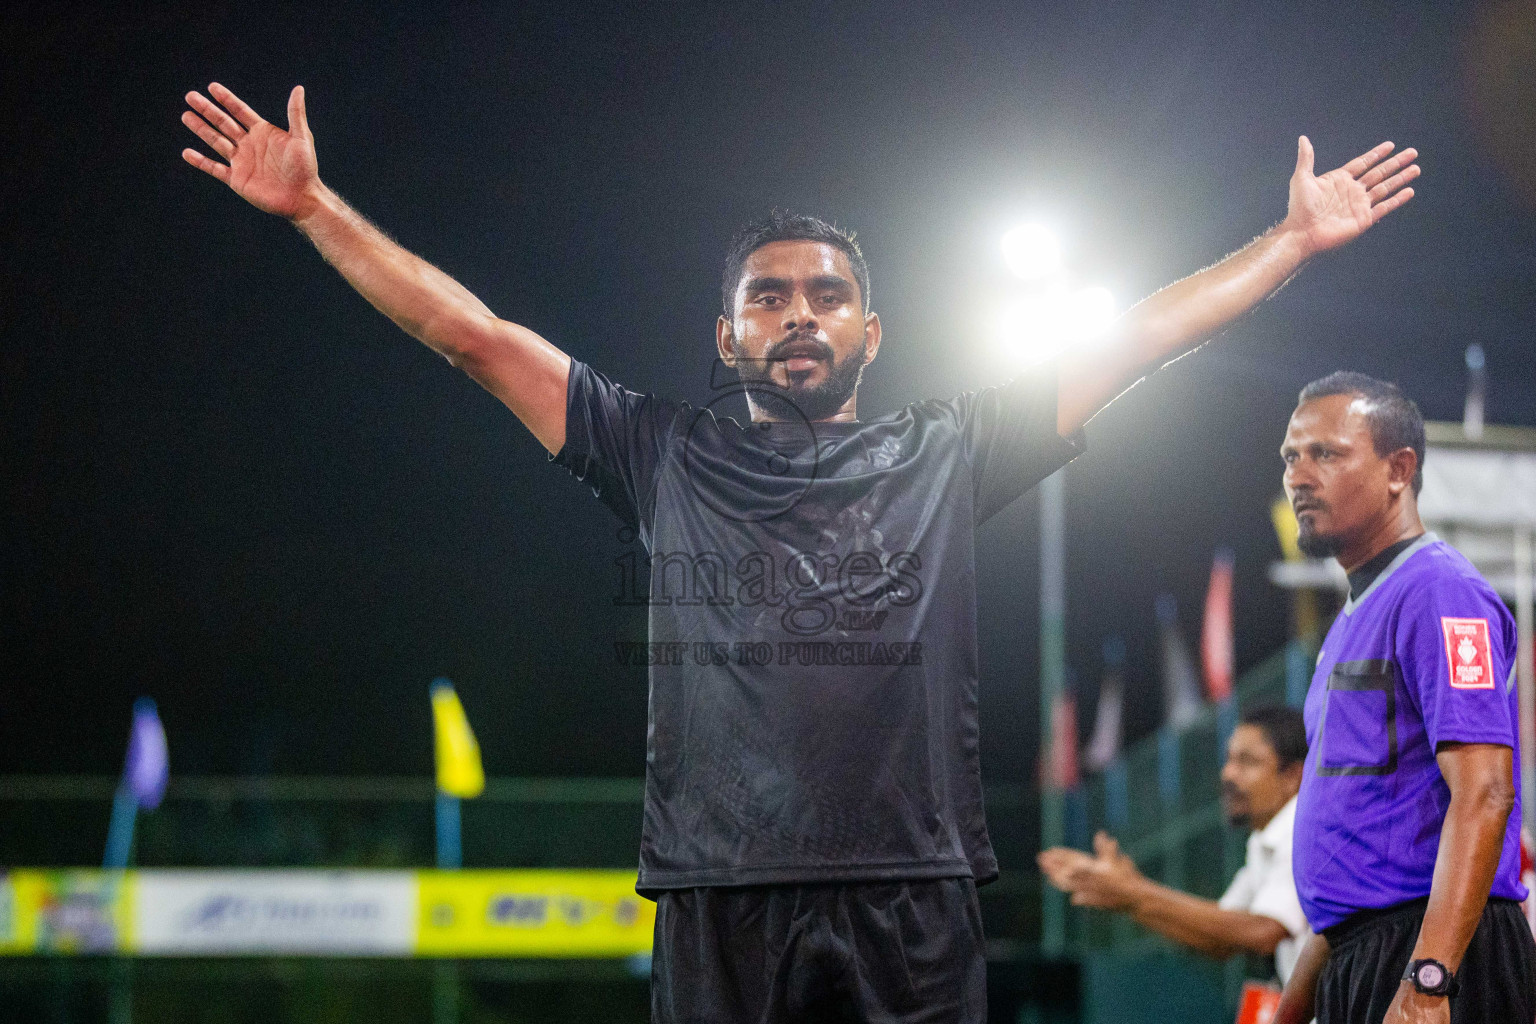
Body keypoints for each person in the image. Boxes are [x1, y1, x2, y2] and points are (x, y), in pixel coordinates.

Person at [179, 81, 1417, 1022]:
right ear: (726, 336)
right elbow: (475, 336)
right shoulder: (654, 449)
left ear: (872, 330)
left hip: (914, 887)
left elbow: (1138, 337)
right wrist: (316, 210)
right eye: (768, 297)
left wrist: (1291, 244)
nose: (799, 315)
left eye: (825, 295)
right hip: (721, 893)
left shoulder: (952, 449)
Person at [1270, 374, 1536, 1024]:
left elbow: (1486, 793)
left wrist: (1430, 977)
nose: (1300, 476)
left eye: (1325, 453)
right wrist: (1291, 1008)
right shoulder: (1354, 618)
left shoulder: (1438, 592)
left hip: (1440, 954)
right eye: (1290, 457)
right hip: (1364, 956)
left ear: (1399, 469)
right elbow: (1354, 866)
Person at [1038, 705, 1312, 982]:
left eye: (1247, 761)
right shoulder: (1263, 839)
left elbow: (1262, 932)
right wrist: (1127, 899)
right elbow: (1222, 938)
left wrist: (1134, 892)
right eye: (1228, 760)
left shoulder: (1301, 828)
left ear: (1292, 776)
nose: (1227, 774)